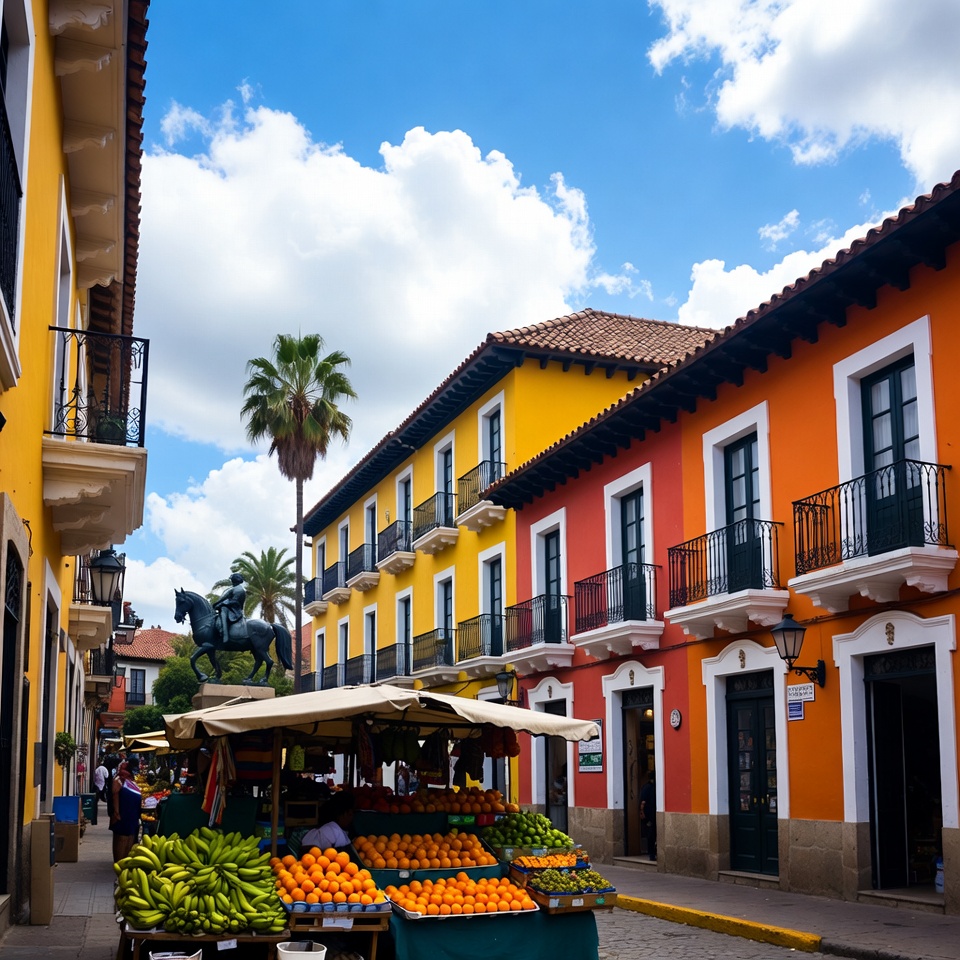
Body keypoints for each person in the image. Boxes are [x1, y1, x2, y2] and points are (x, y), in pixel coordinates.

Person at [110, 758, 142, 861]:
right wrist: (116, 812)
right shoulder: (118, 779)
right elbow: (115, 794)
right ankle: (120, 865)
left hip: (132, 816)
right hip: (123, 815)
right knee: (122, 840)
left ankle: (125, 864)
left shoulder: (130, 780)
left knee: (130, 839)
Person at [214, 573, 247, 642]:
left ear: (234, 581)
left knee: (223, 611)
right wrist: (217, 604)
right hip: (234, 608)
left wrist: (219, 604)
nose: (231, 582)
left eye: (232, 581)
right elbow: (224, 598)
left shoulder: (237, 589)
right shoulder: (237, 589)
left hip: (234, 610)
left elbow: (232, 601)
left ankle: (225, 635)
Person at [639, 771, 656, 861]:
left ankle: (652, 853)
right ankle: (651, 854)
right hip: (649, 816)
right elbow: (643, 803)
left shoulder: (647, 787)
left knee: (652, 835)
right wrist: (643, 814)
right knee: (651, 835)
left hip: (651, 815)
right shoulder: (648, 788)